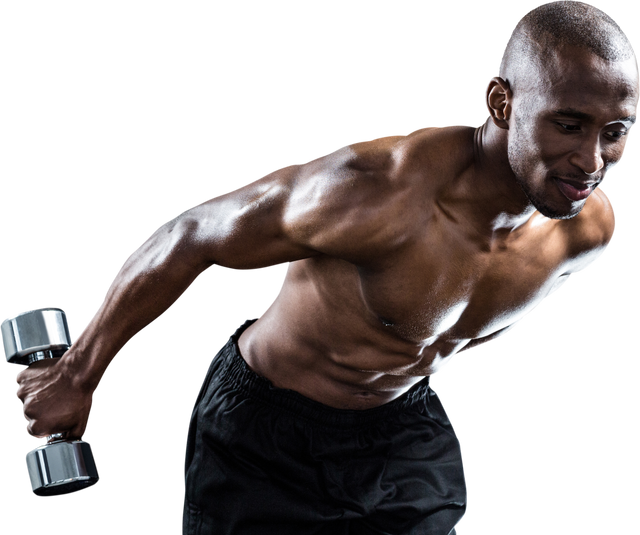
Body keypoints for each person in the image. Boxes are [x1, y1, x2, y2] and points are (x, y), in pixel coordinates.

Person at [12, 1, 638, 533]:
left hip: (403, 429)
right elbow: (190, 235)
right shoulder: (376, 191)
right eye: (567, 124)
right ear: (501, 102)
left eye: (615, 131)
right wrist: (78, 375)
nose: (591, 159)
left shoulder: (587, 232)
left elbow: (441, 329)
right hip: (265, 434)